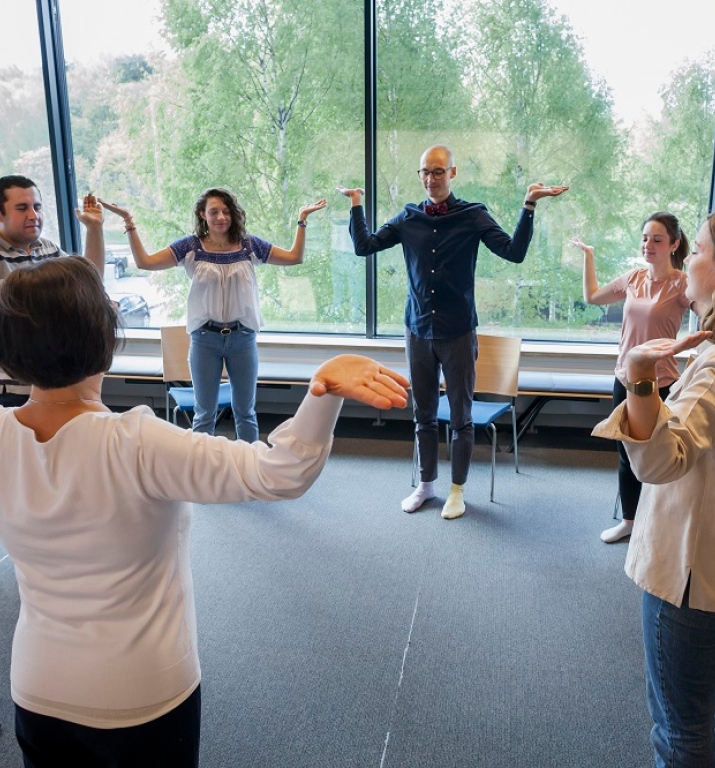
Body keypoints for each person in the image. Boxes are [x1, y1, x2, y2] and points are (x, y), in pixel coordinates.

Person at [0, 256, 409, 768]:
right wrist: (322, 392)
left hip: (37, 687)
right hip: (140, 694)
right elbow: (280, 473)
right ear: (103, 335)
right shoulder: (137, 442)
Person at [593, 205, 715, 767]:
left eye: (700, 250)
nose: (689, 259)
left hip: (691, 575)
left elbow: (660, 464)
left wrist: (639, 376)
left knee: (681, 727)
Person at [337, 144, 568, 520]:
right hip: (418, 330)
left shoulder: (472, 215)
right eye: (425, 172)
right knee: (423, 414)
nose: (431, 179)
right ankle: (426, 484)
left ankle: (457, 490)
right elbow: (365, 247)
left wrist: (529, 205)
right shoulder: (408, 217)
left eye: (438, 172)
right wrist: (356, 203)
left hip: (458, 331)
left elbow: (513, 252)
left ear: (453, 173)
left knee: (461, 416)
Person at [100, 189, 327, 443]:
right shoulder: (191, 246)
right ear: (202, 214)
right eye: (214, 211)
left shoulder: (249, 245)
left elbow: (295, 257)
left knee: (246, 413)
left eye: (226, 211)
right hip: (205, 339)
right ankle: (202, 466)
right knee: (204, 414)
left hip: (242, 337)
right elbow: (145, 262)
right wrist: (128, 222)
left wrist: (302, 219)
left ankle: (250, 463)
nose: (221, 217)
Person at [572, 212, 692, 543]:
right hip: (624, 379)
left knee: (657, 456)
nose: (648, 245)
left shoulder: (681, 283)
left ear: (674, 245)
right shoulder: (634, 278)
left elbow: (711, 312)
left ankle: (660, 523)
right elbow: (592, 296)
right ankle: (630, 521)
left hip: (660, 382)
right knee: (626, 453)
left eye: (657, 239)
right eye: (644, 238)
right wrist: (589, 255)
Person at [0, 174, 105, 407]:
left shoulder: (47, 248)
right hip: (11, 385)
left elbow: (90, 283)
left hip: (54, 380)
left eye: (37, 207)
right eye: (22, 208)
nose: (33, 215)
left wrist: (94, 229)